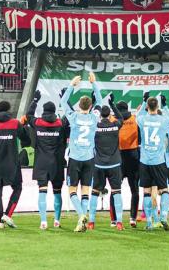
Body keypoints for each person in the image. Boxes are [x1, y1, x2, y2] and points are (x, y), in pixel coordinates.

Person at [60, 72, 102, 232]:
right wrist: (94, 83)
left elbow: (63, 101)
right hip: (89, 158)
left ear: (79, 105)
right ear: (91, 106)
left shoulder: (73, 116)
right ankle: (82, 220)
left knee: (72, 191)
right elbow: (101, 101)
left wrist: (71, 85)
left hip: (75, 158)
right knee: (85, 190)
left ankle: (81, 215)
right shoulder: (94, 118)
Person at [25, 90, 67, 230]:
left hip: (41, 163)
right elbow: (70, 117)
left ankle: (43, 221)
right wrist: (65, 99)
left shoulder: (38, 123)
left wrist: (35, 100)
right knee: (57, 192)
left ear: (43, 110)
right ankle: (57, 220)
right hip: (57, 163)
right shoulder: (60, 124)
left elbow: (28, 115)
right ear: (55, 111)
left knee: (42, 191)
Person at [0, 100, 28, 229]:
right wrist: (23, 126)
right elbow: (26, 139)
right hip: (12, 163)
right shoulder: (15, 123)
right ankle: (8, 214)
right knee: (18, 187)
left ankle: (0, 222)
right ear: (8, 110)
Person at [88, 94, 124, 231]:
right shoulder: (115, 125)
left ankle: (91, 222)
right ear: (109, 115)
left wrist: (93, 103)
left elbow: (90, 119)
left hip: (98, 165)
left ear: (100, 116)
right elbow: (121, 118)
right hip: (114, 164)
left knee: (95, 192)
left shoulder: (95, 126)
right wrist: (113, 104)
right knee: (116, 192)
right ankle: (119, 222)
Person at [137, 94, 169, 231]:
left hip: (145, 161)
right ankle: (163, 216)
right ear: (157, 107)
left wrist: (143, 100)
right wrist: (165, 106)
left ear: (147, 107)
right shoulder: (164, 121)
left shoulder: (142, 119)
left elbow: (137, 115)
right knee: (163, 190)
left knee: (146, 191)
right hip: (159, 161)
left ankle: (149, 222)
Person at [111, 99, 141, 228]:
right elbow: (140, 138)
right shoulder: (135, 119)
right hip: (133, 156)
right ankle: (133, 218)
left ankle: (114, 219)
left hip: (118, 157)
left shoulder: (114, 120)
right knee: (134, 189)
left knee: (115, 189)